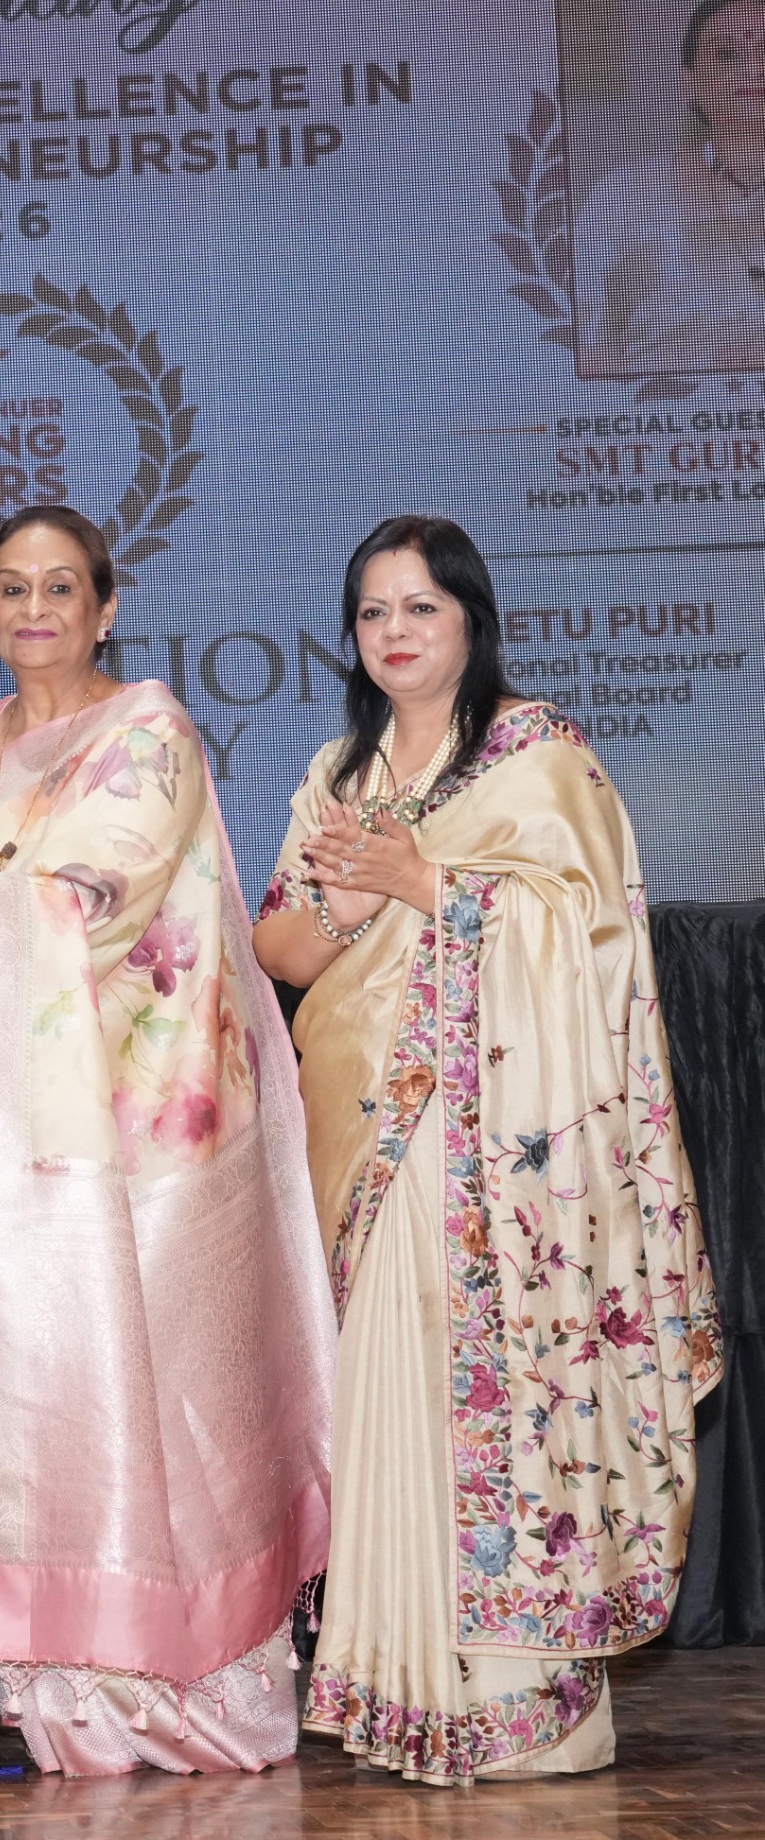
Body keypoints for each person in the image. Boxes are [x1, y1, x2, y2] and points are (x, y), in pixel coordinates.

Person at [0, 503, 335, 1777]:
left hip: (152, 1145)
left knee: (166, 1397)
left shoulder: (148, 728)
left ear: (104, 606)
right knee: (41, 1393)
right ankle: (71, 1692)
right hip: (8, 1146)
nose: (35, 610)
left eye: (60, 588)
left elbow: (93, 896)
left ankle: (197, 1686)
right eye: (11, 589)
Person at [253, 514, 721, 1783]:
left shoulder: (536, 754)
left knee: (494, 1385)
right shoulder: (334, 773)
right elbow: (276, 952)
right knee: (382, 1396)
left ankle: (525, 1705)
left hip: (497, 1151)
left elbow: (592, 933)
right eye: (372, 612)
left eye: (420, 609)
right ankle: (402, 1689)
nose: (395, 633)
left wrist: (429, 886)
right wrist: (350, 903)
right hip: (359, 1124)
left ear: (469, 620)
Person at [573, 0, 765, 376]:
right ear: (690, 82)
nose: (753, 68)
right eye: (728, 55)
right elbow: (591, 353)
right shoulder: (627, 195)